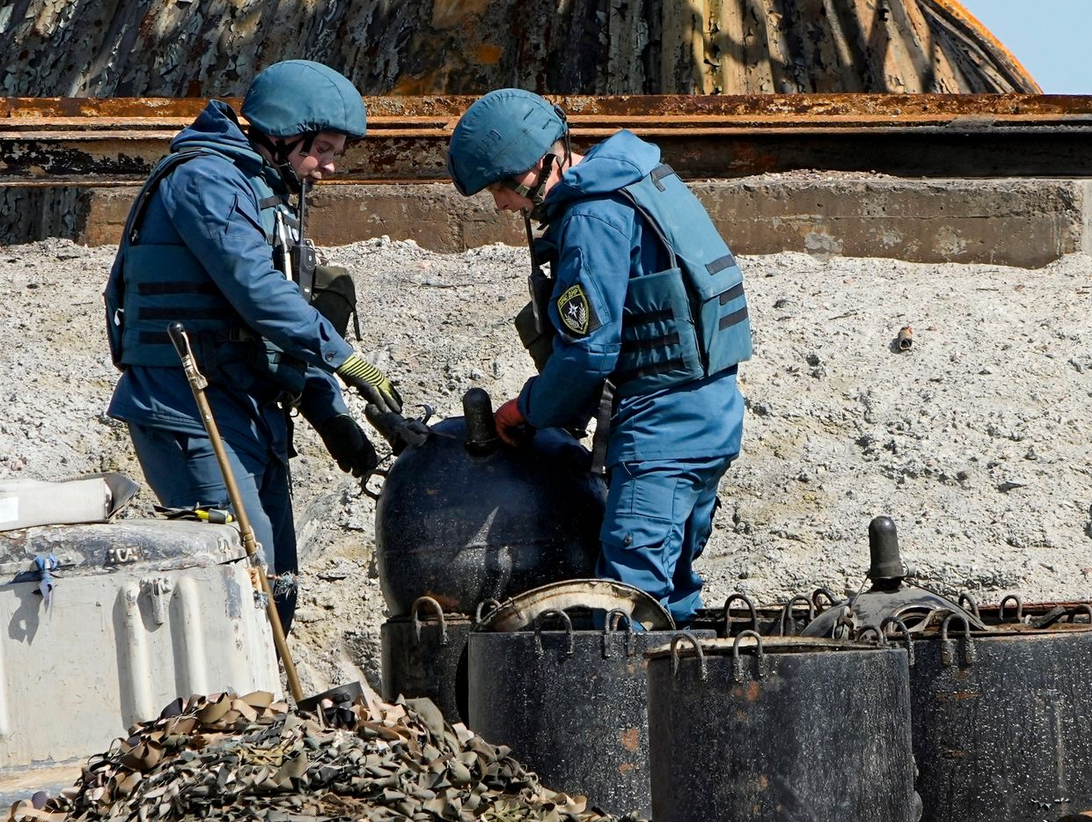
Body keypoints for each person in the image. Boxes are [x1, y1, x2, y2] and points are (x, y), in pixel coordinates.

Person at [105, 60, 402, 628]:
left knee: (278, 586)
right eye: (323, 149)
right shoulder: (206, 180)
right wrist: (349, 361)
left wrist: (334, 418)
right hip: (191, 410)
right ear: (284, 132)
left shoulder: (264, 192)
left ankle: (267, 713)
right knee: (241, 585)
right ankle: (229, 715)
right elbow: (258, 294)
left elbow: (278, 331)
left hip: (248, 411)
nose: (329, 168)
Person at [446, 89, 749, 626]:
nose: (500, 203)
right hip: (711, 413)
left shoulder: (593, 217)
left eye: (502, 185)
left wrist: (527, 410)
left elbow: (589, 353)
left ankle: (624, 714)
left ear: (544, 161)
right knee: (670, 598)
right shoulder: (639, 178)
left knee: (624, 613)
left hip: (661, 429)